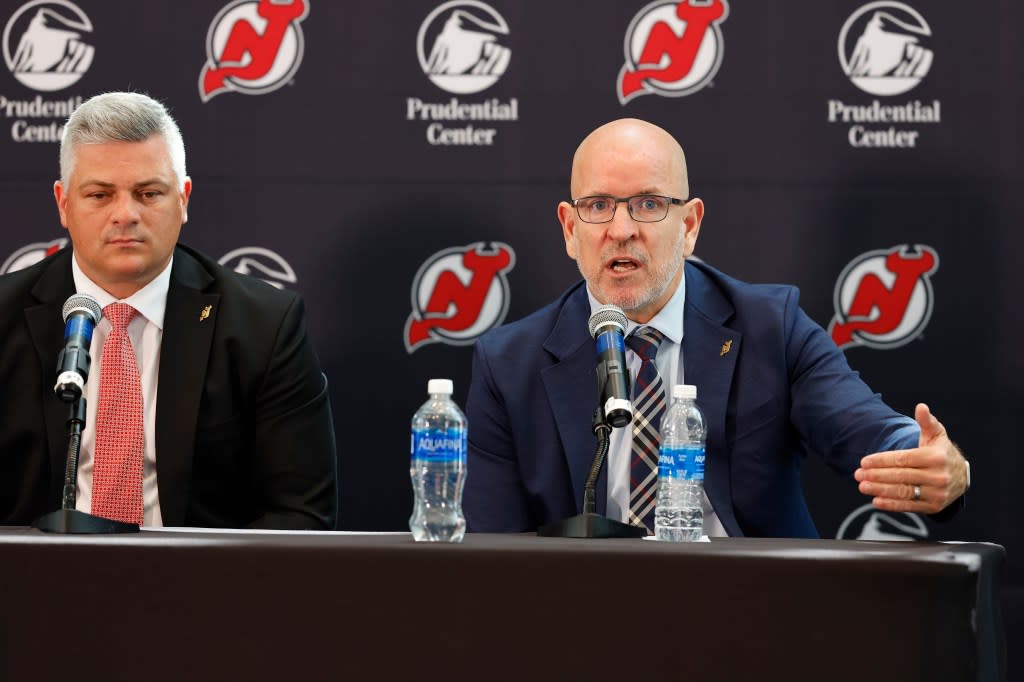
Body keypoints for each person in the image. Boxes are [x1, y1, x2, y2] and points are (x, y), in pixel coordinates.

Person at [464, 118, 969, 537]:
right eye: (598, 206)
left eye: (648, 203)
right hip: (585, 623)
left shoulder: (773, 326)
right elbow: (493, 551)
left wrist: (928, 459)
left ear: (689, 226)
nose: (621, 230)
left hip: (753, 618)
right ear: (571, 231)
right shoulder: (509, 364)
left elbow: (868, 431)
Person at [0, 91, 337, 529]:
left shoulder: (263, 326)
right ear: (64, 204)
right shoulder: (5, 316)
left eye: (149, 193)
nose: (126, 214)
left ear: (183, 198)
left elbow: (302, 513)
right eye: (100, 195)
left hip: (202, 587)